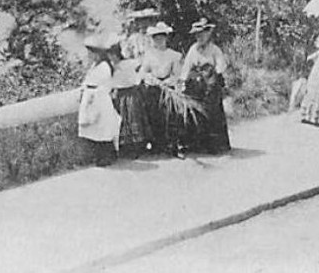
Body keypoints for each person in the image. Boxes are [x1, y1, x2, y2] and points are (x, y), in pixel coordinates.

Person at [177, 18, 231, 156]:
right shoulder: (192, 49)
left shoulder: (214, 49)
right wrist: (182, 81)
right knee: (193, 111)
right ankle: (196, 143)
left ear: (208, 34)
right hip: (195, 85)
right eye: (197, 34)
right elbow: (186, 67)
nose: (199, 37)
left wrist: (213, 75)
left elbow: (221, 65)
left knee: (212, 113)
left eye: (202, 34)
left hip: (210, 84)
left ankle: (214, 145)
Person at [76, 33, 123, 166]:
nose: (89, 56)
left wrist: (92, 96)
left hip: (99, 100)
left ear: (98, 54)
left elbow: (104, 85)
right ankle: (99, 156)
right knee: (93, 130)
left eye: (91, 53)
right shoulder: (94, 66)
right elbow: (87, 82)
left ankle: (107, 156)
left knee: (103, 129)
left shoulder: (104, 67)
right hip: (91, 99)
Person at [134, 20, 180, 154]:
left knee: (170, 116)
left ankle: (171, 144)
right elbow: (143, 71)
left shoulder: (173, 55)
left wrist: (168, 82)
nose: (159, 40)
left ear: (166, 37)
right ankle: (156, 144)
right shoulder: (149, 55)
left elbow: (177, 74)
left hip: (168, 88)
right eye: (156, 37)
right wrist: (151, 79)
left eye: (162, 37)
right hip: (153, 88)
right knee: (153, 116)